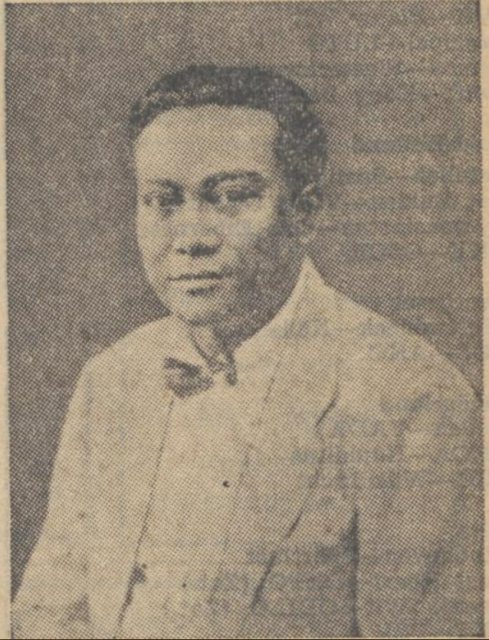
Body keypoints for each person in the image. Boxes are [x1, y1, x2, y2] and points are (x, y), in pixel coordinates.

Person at [12, 65, 483, 639]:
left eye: (231, 197)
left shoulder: (411, 398)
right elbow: (47, 615)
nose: (190, 237)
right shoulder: (112, 378)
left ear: (304, 211)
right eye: (162, 201)